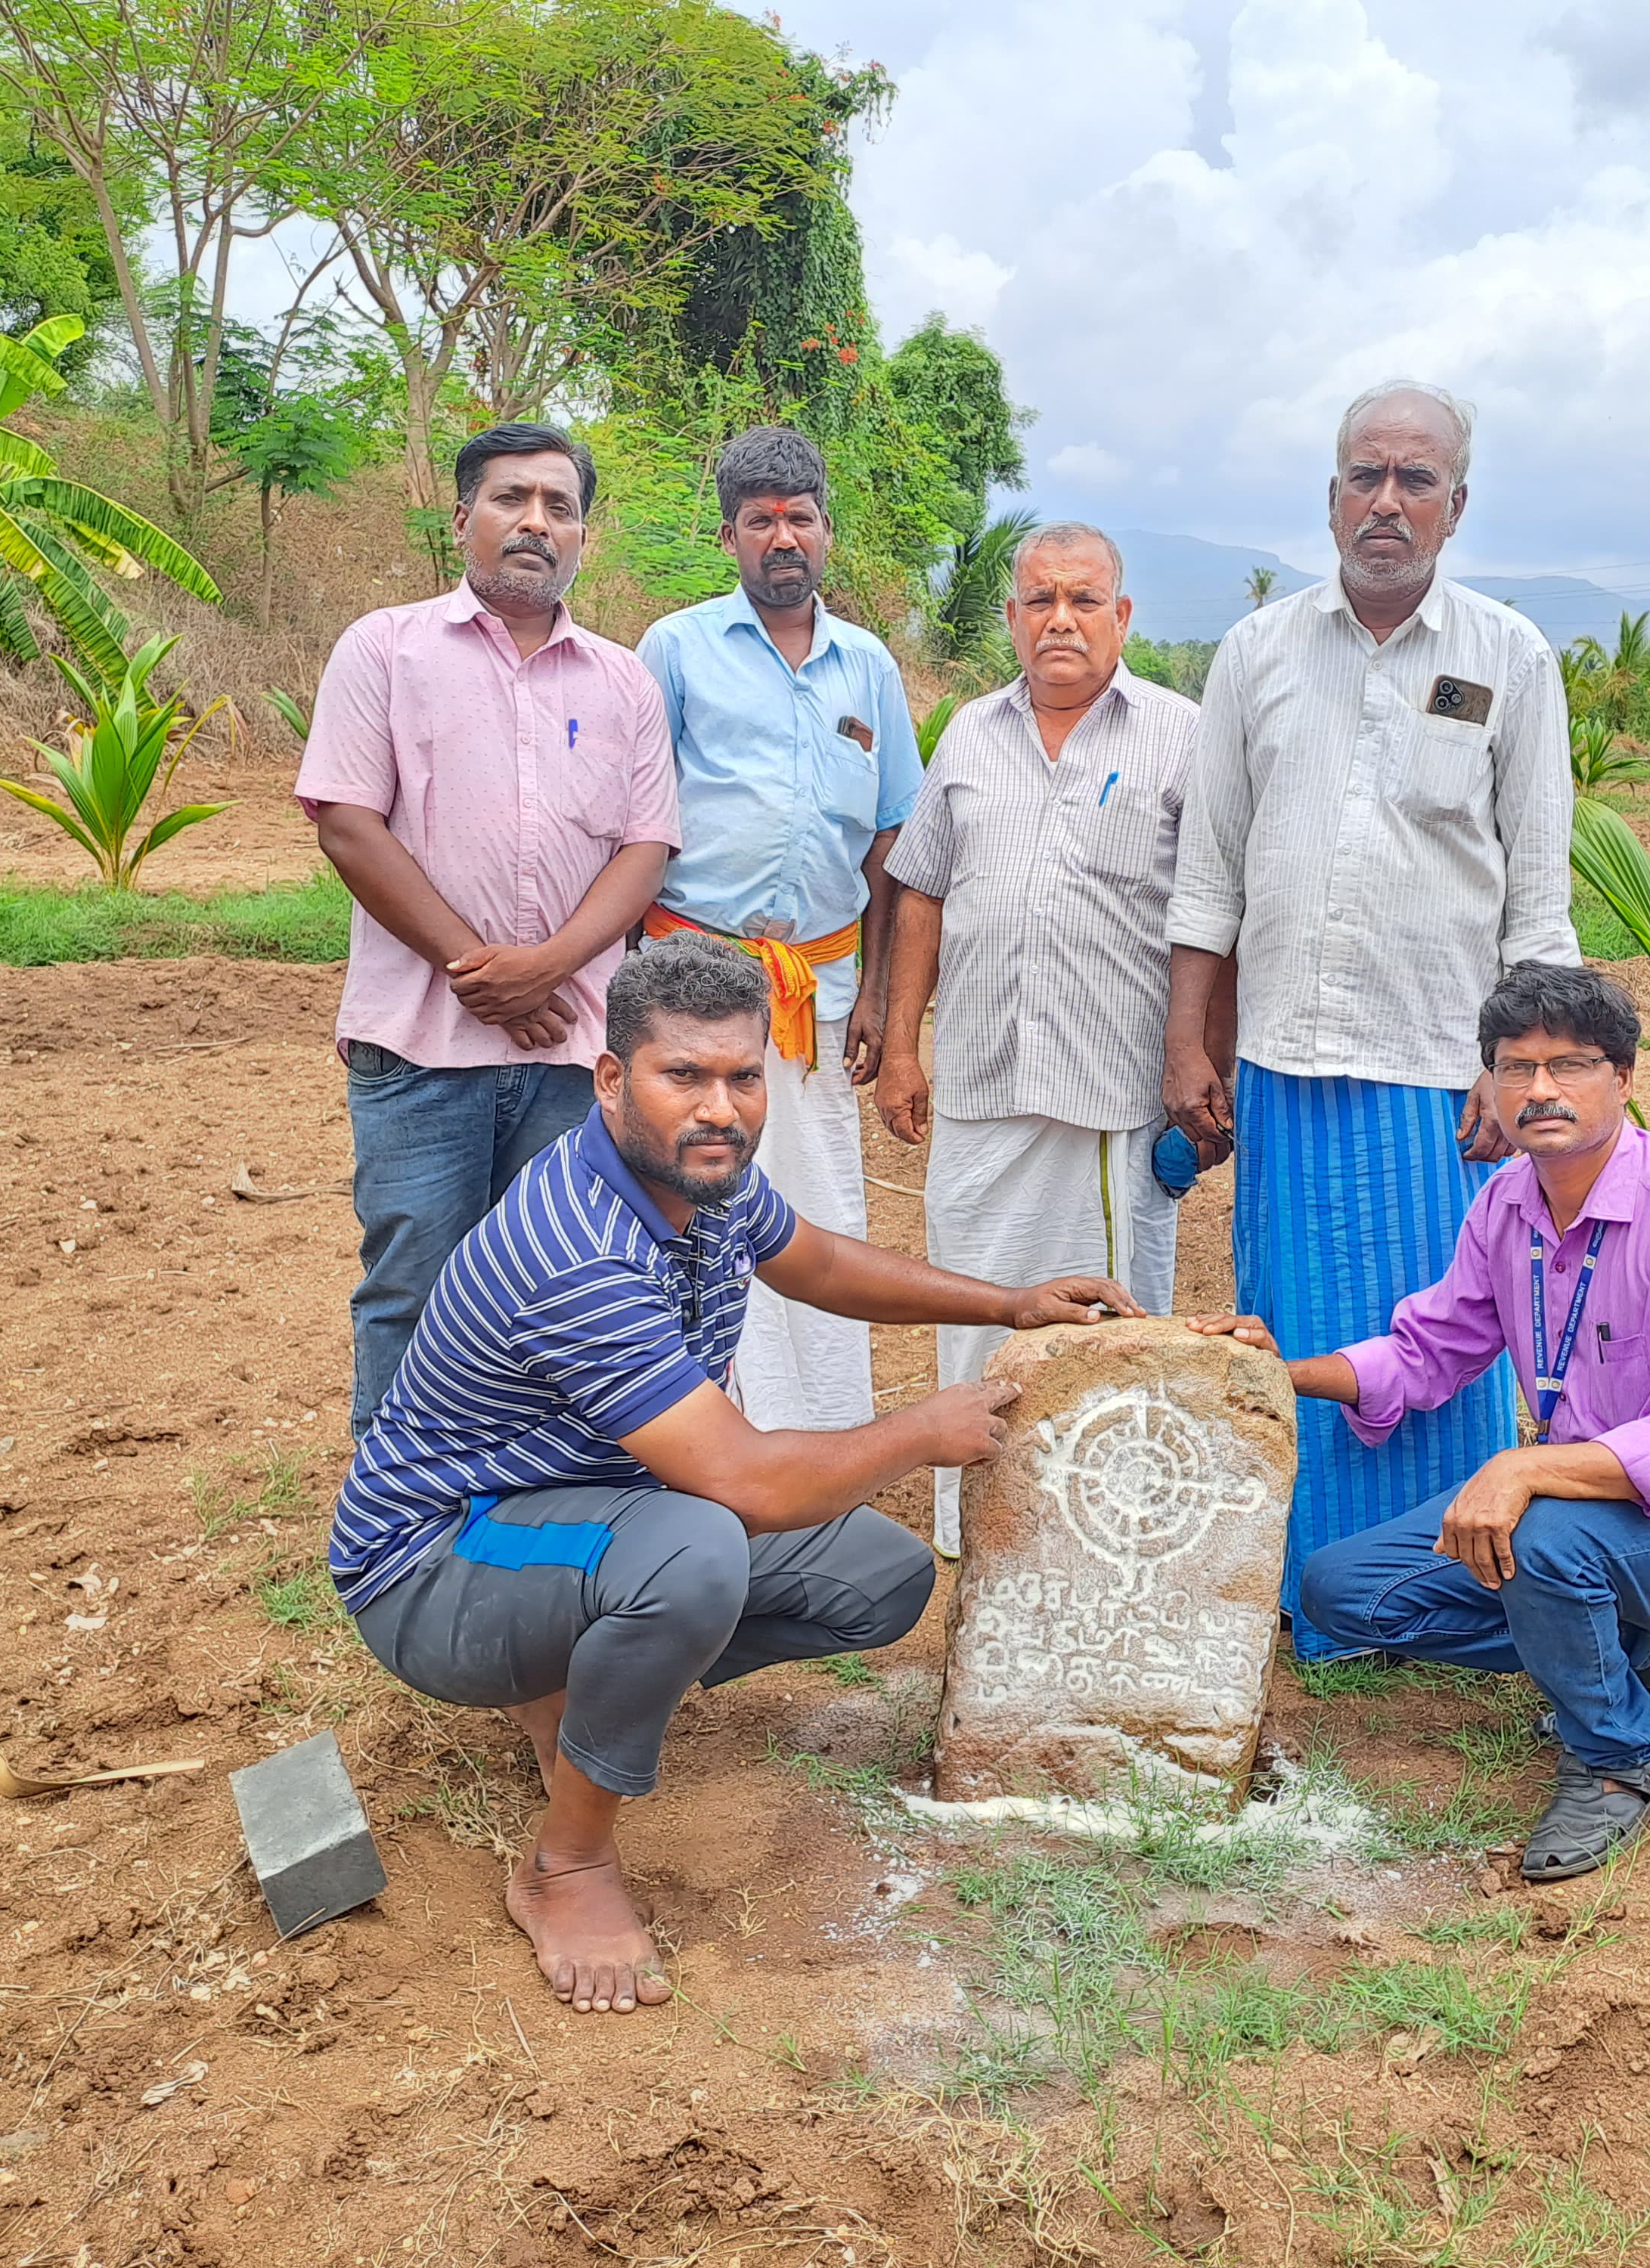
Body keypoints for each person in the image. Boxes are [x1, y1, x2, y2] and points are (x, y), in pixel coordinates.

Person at [330, 934, 1138, 2014]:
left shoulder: (700, 1182)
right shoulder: (579, 1248)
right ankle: (565, 1867)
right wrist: (916, 1430)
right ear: (613, 1080)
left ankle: (567, 1690)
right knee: (700, 1548)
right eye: (684, 1076)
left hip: (577, 1517)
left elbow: (826, 1264)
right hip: (435, 1560)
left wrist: (1009, 1302)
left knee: (880, 1577)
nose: (721, 1108)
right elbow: (745, 1484)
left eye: (742, 1076)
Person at [1193, 962, 1650, 1880]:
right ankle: (1630, 1646)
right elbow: (1427, 1351)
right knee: (1346, 1591)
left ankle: (1615, 1761)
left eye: (1567, 1065)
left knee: (1538, 1533)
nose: (1538, 1090)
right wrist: (1272, 1372)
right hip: (1599, 1514)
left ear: (1622, 1077)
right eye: (1513, 1066)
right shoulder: (1505, 1205)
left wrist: (1523, 1470)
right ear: (1486, 1082)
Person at [1162, 380, 1576, 1651]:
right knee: (1294, 1334)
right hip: (1285, 1067)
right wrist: (1191, 1041)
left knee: (1447, 1348)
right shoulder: (1259, 654)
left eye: (1414, 481)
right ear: (1331, 494)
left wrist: (1524, 1076)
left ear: (1458, 506)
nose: (1385, 503)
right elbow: (1210, 870)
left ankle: (1445, 1601)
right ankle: (1311, 1604)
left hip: (1441, 1085)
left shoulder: (1510, 659)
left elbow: (1536, 895)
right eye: (1364, 477)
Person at [296, 422, 680, 1437]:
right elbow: (346, 823)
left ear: (583, 539)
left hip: (570, 1043)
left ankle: (526, 1500)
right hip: (421, 1042)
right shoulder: (384, 648)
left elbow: (646, 848)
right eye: (513, 500)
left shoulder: (624, 682)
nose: (536, 523)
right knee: (413, 1280)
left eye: (559, 507)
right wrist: (477, 970)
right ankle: (398, 1528)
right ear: (464, 518)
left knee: (557, 1286)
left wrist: (546, 968)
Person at [874, 523, 1234, 1555]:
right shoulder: (972, 736)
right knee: (975, 1309)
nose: (1061, 620)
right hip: (985, 1081)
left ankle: (1108, 1521)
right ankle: (974, 1523)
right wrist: (904, 1047)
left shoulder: (1181, 735)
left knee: (1110, 1325)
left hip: (1116, 1093)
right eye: (1041, 602)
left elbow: (1216, 911)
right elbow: (923, 892)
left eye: (1084, 601)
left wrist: (1205, 1058)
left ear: (1122, 617)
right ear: (1012, 620)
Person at [637, 428, 918, 1440]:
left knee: (821, 1208)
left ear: (827, 532)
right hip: (689, 974)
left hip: (820, 991)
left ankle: (823, 1431)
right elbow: (637, 817)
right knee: (689, 1194)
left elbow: (893, 841)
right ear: (730, 536)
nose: (782, 536)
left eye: (800, 517)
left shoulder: (869, 667)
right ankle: (701, 1434)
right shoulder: (676, 648)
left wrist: (883, 1002)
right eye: (761, 520)